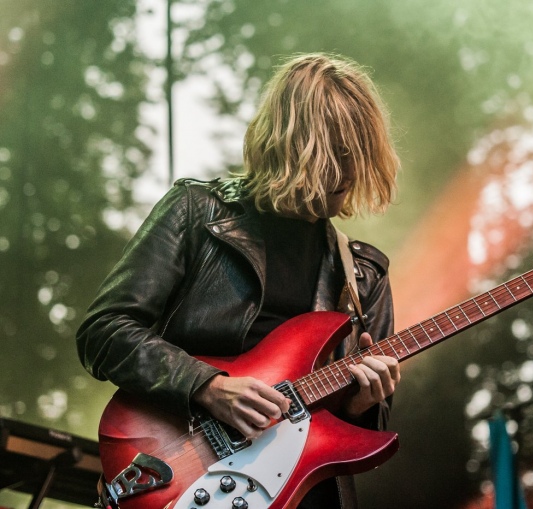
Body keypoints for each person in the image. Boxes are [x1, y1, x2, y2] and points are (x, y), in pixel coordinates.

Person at [76, 53, 401, 509]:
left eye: (360, 153)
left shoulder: (363, 273)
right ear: (293, 143)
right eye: (338, 153)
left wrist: (363, 403)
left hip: (306, 495)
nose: (349, 171)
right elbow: (104, 331)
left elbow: (367, 437)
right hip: (189, 476)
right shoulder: (196, 212)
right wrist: (207, 386)